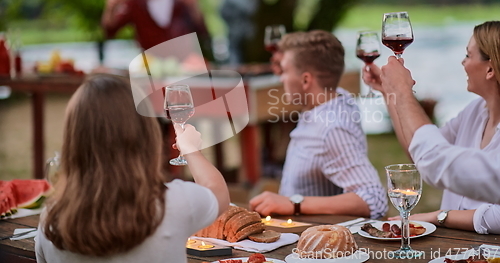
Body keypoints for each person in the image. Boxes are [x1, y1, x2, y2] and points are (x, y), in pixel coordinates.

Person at [35, 75, 229, 263]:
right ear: (145, 135)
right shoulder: (173, 203)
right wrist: (191, 150)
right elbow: (217, 192)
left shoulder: (50, 219)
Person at [363, 21, 500, 233]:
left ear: (490, 68)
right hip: (452, 249)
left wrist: (439, 217)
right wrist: (389, 92)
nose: (463, 62)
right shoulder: (474, 112)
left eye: (468, 55)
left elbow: (496, 217)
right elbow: (420, 151)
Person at [249, 30, 388, 219]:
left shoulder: (332, 128)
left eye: (285, 71)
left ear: (306, 80)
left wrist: (293, 203)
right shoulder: (333, 99)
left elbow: (375, 199)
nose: (281, 79)